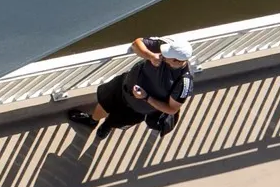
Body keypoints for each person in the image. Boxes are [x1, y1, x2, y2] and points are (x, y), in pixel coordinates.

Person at [66, 36, 194, 142]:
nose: (162, 54)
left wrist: (146, 97)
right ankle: (92, 121)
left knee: (117, 121)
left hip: (138, 108)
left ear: (177, 61)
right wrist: (150, 56)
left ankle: (106, 127)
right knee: (104, 103)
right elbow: (136, 43)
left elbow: (172, 109)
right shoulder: (164, 47)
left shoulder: (183, 82)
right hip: (123, 85)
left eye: (167, 55)